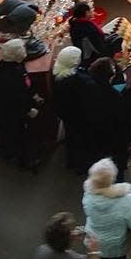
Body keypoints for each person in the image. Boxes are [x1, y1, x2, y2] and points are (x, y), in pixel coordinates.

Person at [0, 38, 39, 169]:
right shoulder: (11, 74)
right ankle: (24, 161)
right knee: (17, 136)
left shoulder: (8, 65)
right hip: (8, 113)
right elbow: (16, 97)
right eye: (23, 49)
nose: (25, 51)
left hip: (9, 110)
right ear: (17, 53)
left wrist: (33, 95)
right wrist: (28, 110)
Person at [83, 57, 131, 180]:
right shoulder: (114, 96)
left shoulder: (88, 88)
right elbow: (122, 121)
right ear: (109, 76)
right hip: (115, 140)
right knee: (118, 171)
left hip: (95, 138)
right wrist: (129, 141)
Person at [52, 45, 93, 173]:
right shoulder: (77, 80)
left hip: (67, 115)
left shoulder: (59, 74)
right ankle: (82, 165)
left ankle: (72, 161)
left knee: (71, 137)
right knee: (82, 140)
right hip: (80, 115)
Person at [68, 1, 121, 66]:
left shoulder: (75, 23)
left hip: (85, 52)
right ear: (87, 13)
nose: (93, 11)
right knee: (118, 38)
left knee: (114, 34)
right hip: (94, 56)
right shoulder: (88, 28)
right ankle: (116, 61)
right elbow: (99, 48)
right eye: (91, 10)